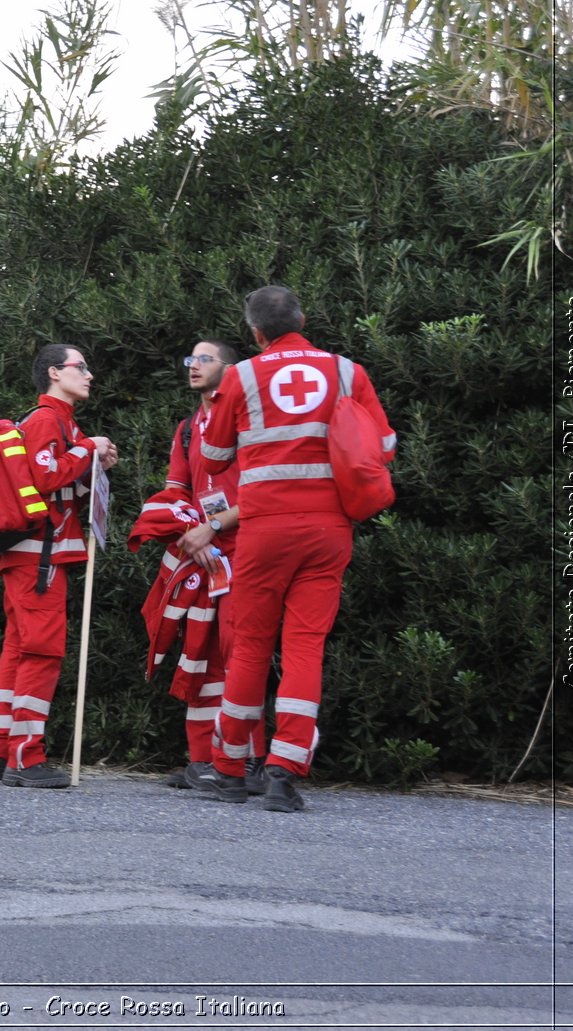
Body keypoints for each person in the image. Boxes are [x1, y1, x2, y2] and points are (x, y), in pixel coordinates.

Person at [193, 286, 395, 812]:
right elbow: (386, 446)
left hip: (264, 529)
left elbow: (213, 456)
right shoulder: (347, 371)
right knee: (306, 646)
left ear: (256, 333)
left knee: (252, 643)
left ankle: (230, 769)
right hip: (329, 529)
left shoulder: (241, 375)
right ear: (303, 318)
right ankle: (283, 772)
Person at [0, 344, 118, 789]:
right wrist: (87, 450)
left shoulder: (59, 422)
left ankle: (3, 751)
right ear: (56, 373)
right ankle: (27, 756)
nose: (90, 375)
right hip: (40, 557)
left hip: (31, 555)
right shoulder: (46, 420)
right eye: (82, 367)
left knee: (19, 651)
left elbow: (58, 482)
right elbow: (44, 479)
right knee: (41, 652)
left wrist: (91, 457)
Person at [155, 340, 267, 793]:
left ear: (233, 370)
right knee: (199, 655)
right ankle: (203, 760)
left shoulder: (252, 422)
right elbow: (175, 491)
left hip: (245, 552)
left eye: (205, 358)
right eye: (190, 358)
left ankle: (250, 761)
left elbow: (263, 490)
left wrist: (214, 526)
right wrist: (191, 533)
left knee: (241, 655)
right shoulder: (187, 428)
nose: (194, 365)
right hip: (202, 555)